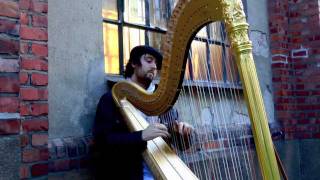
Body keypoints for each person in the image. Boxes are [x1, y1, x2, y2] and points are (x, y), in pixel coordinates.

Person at [92, 45, 193, 180]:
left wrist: (184, 135)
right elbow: (102, 141)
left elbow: (178, 144)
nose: (154, 67)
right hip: (127, 173)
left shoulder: (162, 102)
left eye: (157, 64)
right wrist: (141, 136)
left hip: (165, 170)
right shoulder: (111, 99)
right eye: (149, 60)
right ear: (134, 63)